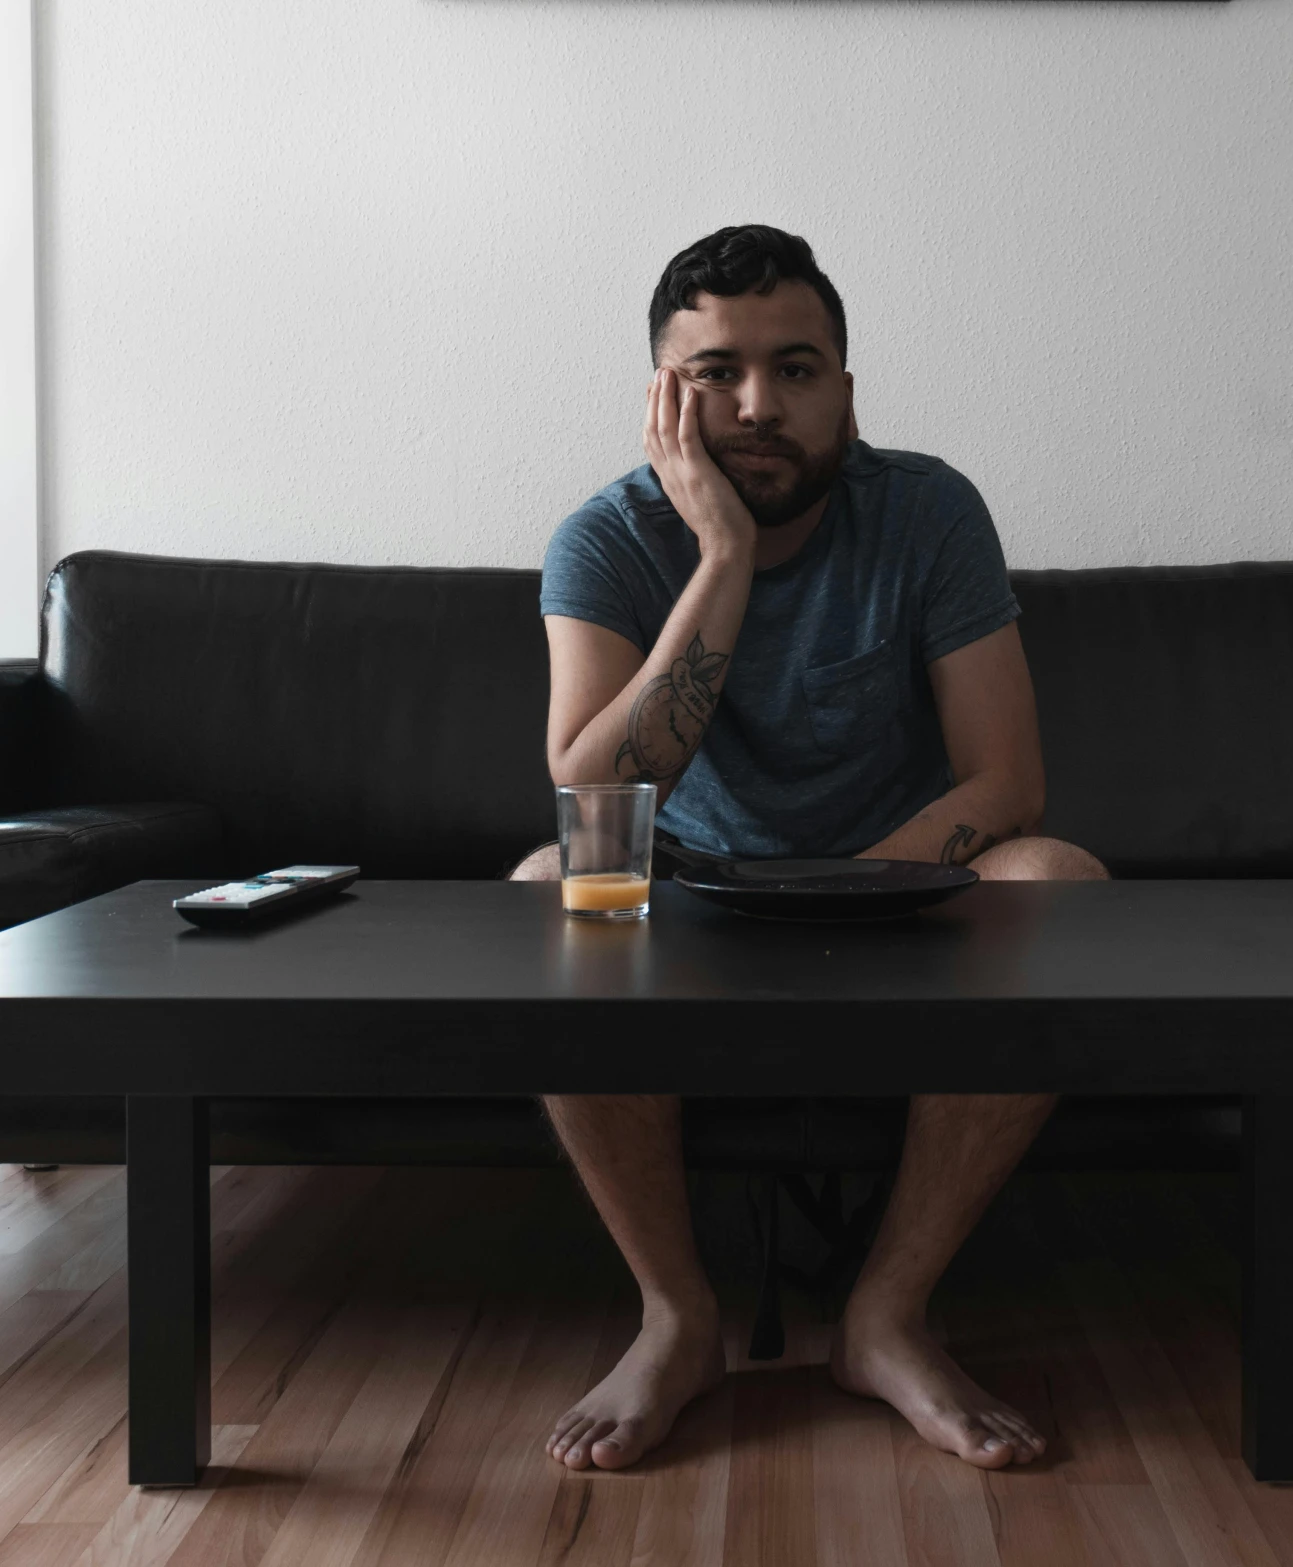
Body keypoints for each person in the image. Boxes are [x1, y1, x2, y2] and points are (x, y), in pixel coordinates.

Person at [514, 224, 1107, 1475]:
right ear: (662, 398)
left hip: (903, 889)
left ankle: (886, 1316)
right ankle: (677, 1317)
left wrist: (853, 889)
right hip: (691, 894)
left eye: (797, 369)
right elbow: (595, 798)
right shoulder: (608, 537)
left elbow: (1009, 780)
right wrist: (720, 555)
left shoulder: (930, 510)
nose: (757, 404)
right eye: (717, 372)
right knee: (547, 889)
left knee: (1062, 884)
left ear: (846, 386)